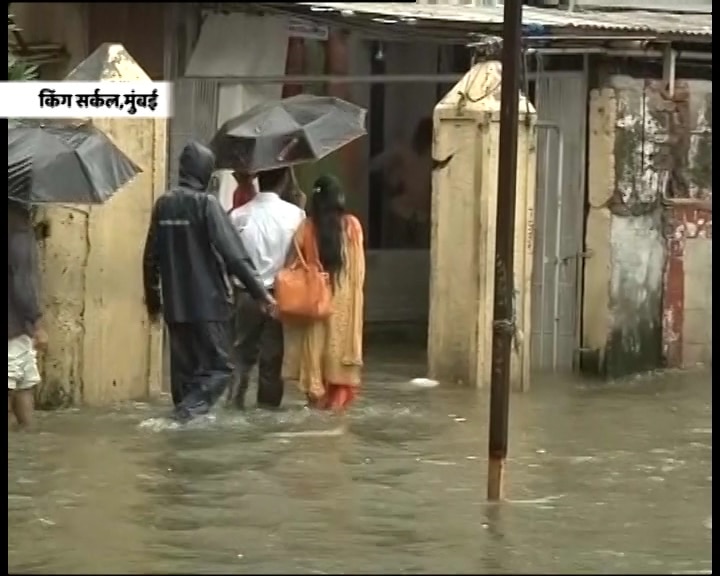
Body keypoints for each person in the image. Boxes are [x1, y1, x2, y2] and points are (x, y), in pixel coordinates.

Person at [142, 141, 275, 421]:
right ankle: (185, 415)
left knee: (185, 376)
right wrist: (261, 293)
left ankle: (183, 435)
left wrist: (154, 302)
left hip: (176, 309)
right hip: (210, 306)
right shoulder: (207, 204)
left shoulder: (163, 204)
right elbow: (234, 256)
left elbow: (150, 259)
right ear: (204, 172)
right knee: (220, 368)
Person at [281, 175, 365, 411]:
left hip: (316, 307)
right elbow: (358, 273)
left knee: (315, 386)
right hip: (343, 312)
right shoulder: (353, 227)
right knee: (339, 394)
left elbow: (291, 266)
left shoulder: (306, 228)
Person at [227, 167, 305, 410]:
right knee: (272, 360)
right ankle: (268, 413)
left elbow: (230, 258)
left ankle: (233, 404)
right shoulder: (297, 215)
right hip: (279, 297)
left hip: (245, 295)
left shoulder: (238, 215)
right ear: (283, 181)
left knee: (240, 355)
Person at [8, 200, 47, 428]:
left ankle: (26, 440)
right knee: (18, 384)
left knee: (24, 383)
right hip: (15, 326)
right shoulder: (18, 231)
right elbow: (23, 284)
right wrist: (38, 322)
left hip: (18, 327)